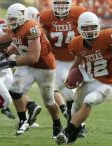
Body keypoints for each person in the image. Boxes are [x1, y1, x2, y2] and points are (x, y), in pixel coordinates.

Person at [55, 12, 112, 144]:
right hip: (89, 80)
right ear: (80, 29)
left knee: (89, 100)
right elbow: (77, 62)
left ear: (98, 26)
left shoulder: (108, 37)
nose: (89, 30)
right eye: (86, 28)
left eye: (92, 27)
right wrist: (70, 78)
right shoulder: (76, 43)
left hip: (107, 83)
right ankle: (72, 136)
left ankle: (66, 132)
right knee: (75, 108)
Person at [0, 3, 62, 136]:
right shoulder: (15, 28)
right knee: (14, 89)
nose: (10, 22)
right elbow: (17, 41)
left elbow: (33, 57)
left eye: (13, 19)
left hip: (44, 67)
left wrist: (11, 62)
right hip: (28, 66)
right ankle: (23, 120)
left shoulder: (32, 27)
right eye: (9, 19)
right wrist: (6, 53)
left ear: (22, 17)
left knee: (49, 101)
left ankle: (57, 124)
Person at [39, 0, 87, 137]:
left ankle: (77, 123)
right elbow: (41, 36)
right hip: (59, 61)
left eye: (64, 3)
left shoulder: (79, 13)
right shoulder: (45, 16)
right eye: (58, 3)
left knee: (78, 94)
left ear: (70, 3)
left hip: (77, 59)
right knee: (68, 92)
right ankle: (79, 125)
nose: (61, 6)